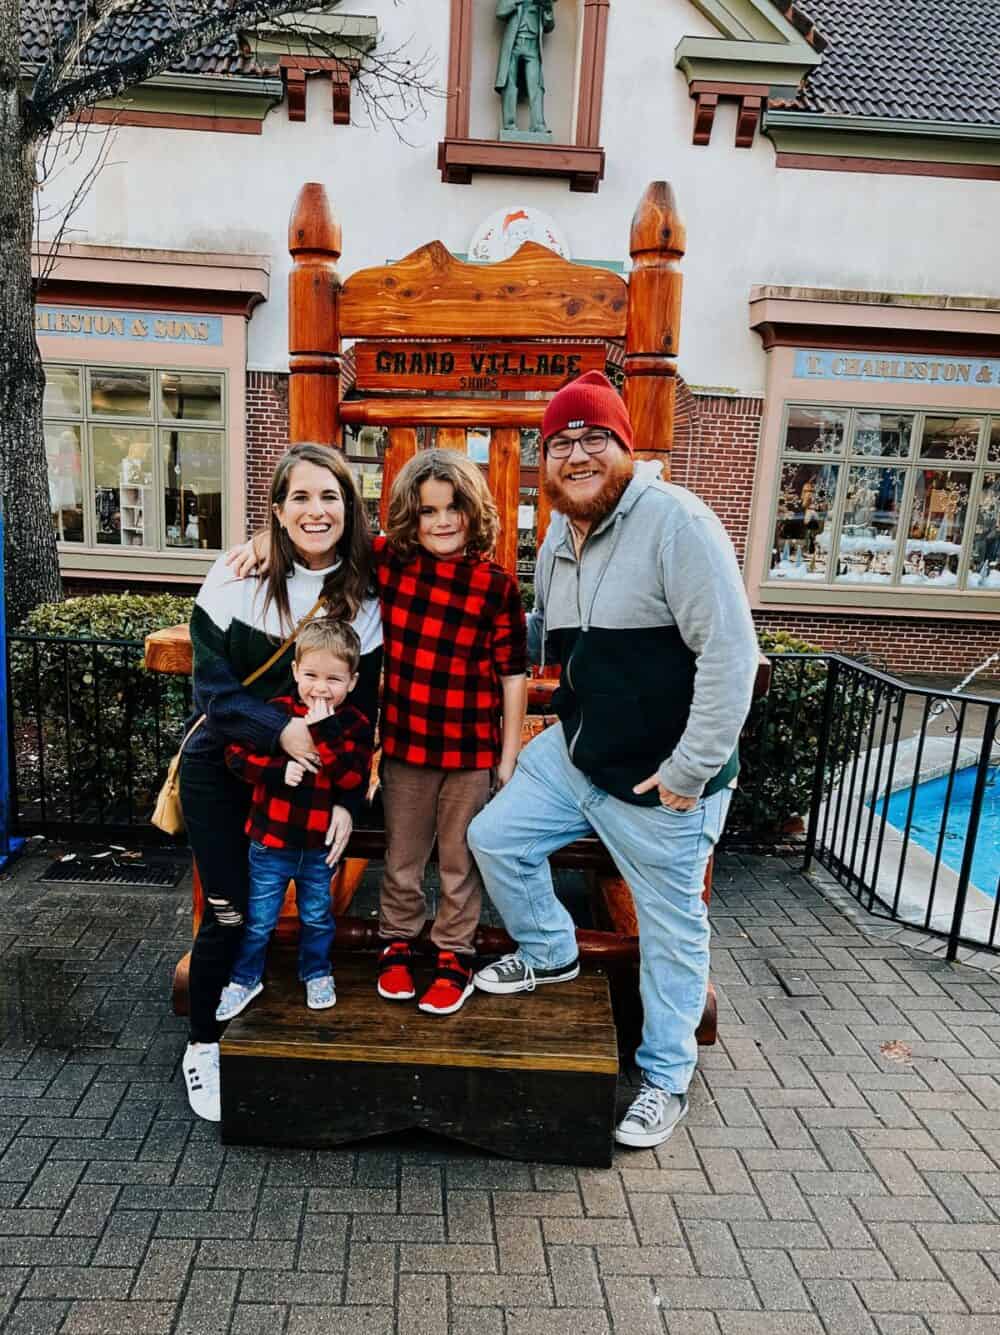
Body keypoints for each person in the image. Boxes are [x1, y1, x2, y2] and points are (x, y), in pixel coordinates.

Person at [467, 371, 759, 1148]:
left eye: (594, 436)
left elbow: (732, 655)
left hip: (661, 780)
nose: (576, 452)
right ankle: (551, 951)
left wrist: (690, 771)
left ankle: (664, 1078)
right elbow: (543, 637)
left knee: (671, 931)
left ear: (625, 446)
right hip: (578, 754)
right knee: (495, 837)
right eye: (560, 441)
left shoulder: (677, 524)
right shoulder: (560, 534)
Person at [180, 443, 382, 1122]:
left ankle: (267, 981)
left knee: (301, 898)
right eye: (299, 496)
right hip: (228, 766)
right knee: (230, 903)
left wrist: (351, 802)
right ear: (276, 507)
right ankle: (203, 1041)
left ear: (349, 506)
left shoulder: (365, 593)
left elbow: (363, 715)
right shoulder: (234, 576)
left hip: (313, 785)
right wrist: (283, 732)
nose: (315, 509)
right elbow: (213, 691)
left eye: (330, 495)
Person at [374, 450, 527, 1015]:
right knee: (403, 855)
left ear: (473, 511)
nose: (442, 521)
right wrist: (262, 543)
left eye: (453, 508)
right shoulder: (390, 564)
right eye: (428, 511)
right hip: (405, 744)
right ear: (409, 518)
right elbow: (324, 549)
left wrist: (507, 756)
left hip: (470, 751)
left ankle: (453, 953)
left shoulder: (496, 585)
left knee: (461, 860)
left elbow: (514, 672)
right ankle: (397, 940)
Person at [215, 620, 373, 1021]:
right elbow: (235, 756)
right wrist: (274, 771)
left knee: (318, 917)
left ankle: (317, 971)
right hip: (271, 842)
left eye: (334, 679)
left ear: (352, 682)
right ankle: (245, 977)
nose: (320, 688)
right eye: (311, 676)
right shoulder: (277, 715)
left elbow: (352, 777)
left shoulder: (353, 724)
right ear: (295, 672)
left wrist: (324, 732)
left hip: (318, 848)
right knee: (259, 920)